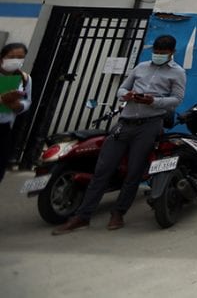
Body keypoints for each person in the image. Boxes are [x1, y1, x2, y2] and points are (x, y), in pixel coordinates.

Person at [53, 35, 186, 234]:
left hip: (149, 125)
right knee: (103, 169)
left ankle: (118, 213)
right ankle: (82, 216)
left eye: (163, 53)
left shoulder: (177, 73)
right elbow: (122, 88)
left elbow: (176, 99)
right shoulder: (141, 67)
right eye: (156, 52)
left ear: (172, 53)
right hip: (125, 122)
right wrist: (126, 95)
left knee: (134, 172)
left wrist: (153, 101)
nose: (158, 55)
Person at [0, 42, 33, 184]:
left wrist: (19, 106)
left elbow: (28, 101)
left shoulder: (25, 79)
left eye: (20, 57)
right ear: (2, 57)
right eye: (11, 56)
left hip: (4, 128)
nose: (15, 60)